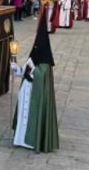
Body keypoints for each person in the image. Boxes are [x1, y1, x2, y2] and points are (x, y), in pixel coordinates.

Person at [12, 15, 59, 153]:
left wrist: (33, 70)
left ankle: (33, 140)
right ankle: (20, 138)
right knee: (23, 113)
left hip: (35, 95)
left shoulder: (46, 63)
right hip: (25, 91)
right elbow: (25, 71)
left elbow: (40, 75)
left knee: (31, 115)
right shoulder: (33, 56)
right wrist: (16, 68)